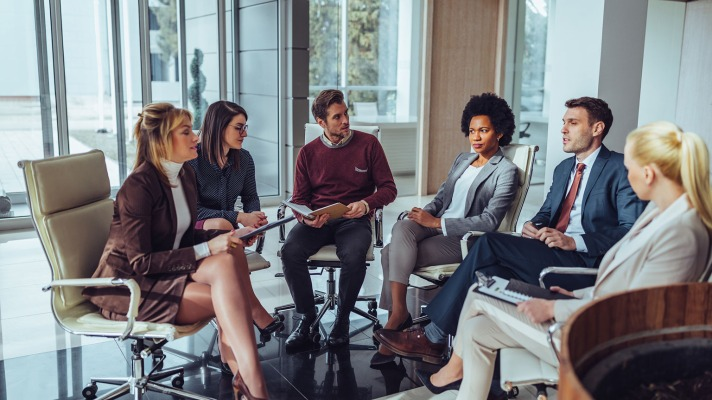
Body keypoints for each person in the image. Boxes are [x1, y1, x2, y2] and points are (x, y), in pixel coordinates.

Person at [418, 120, 712, 398]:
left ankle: (444, 358)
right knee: (475, 327)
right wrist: (575, 293)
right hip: (589, 309)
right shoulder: (663, 214)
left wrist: (555, 308)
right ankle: (458, 378)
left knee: (479, 294)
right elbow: (623, 286)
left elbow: (635, 314)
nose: (628, 174)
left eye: (630, 168)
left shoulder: (681, 234)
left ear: (648, 174)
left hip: (597, 339)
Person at [376, 96, 646, 364]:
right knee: (490, 275)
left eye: (572, 123)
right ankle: (462, 354)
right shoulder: (564, 169)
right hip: (549, 251)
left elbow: (630, 231)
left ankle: (430, 337)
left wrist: (574, 242)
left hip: (582, 263)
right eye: (564, 123)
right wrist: (534, 225)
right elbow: (546, 214)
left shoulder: (619, 168)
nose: (563, 129)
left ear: (597, 128)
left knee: (490, 244)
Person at [82, 103, 269, 400]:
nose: (196, 136)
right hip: (129, 286)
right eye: (185, 131)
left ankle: (246, 380)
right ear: (162, 141)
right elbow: (141, 263)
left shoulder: (184, 176)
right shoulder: (138, 186)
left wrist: (228, 235)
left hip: (164, 271)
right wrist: (209, 245)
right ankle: (252, 384)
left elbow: (180, 234)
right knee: (230, 303)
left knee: (226, 260)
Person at [371, 93, 519, 366]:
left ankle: (395, 316)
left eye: (483, 131)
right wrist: (424, 213)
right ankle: (399, 312)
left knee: (392, 251)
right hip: (435, 225)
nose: (476, 137)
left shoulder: (505, 171)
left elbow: (489, 222)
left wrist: (437, 223)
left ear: (499, 132)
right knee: (403, 225)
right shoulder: (463, 159)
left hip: (462, 237)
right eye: (472, 131)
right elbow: (441, 199)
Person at [281, 89, 397, 351]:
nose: (345, 120)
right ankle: (307, 320)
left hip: (353, 220)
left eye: (346, 113)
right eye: (337, 117)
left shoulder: (369, 144)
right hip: (319, 219)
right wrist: (305, 217)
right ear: (321, 123)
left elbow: (389, 189)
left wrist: (366, 203)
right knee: (290, 251)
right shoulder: (308, 153)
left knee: (354, 254)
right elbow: (299, 198)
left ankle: (342, 321)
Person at [187, 100, 283, 337]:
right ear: (219, 128)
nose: (245, 133)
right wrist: (239, 217)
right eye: (239, 128)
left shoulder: (244, 159)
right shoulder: (191, 161)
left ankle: (230, 343)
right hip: (195, 235)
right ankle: (252, 308)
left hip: (226, 231)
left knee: (226, 227)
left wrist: (255, 223)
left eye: (245, 127)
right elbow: (192, 210)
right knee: (223, 225)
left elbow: (251, 196)